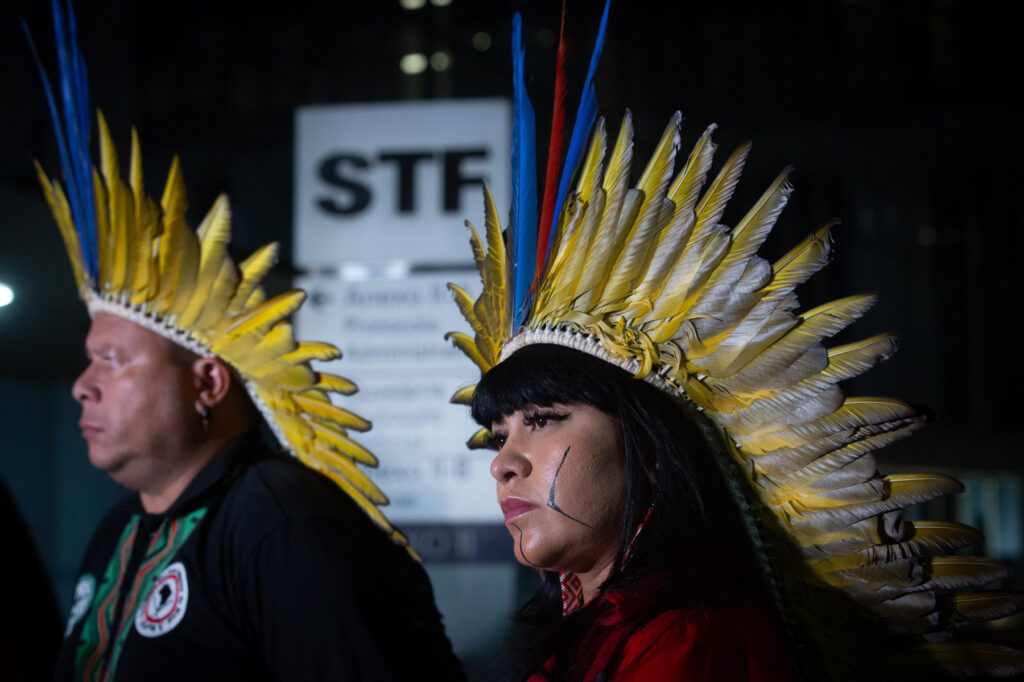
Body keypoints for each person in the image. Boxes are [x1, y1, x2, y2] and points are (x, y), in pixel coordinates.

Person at [445, 4, 1023, 681]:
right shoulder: (596, 634)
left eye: (542, 420)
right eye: (499, 435)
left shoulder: (690, 645)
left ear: (650, 452)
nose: (503, 464)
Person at [30, 4, 464, 680]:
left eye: (111, 361)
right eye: (89, 361)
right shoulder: (119, 530)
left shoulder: (281, 520)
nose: (82, 386)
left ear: (207, 381)